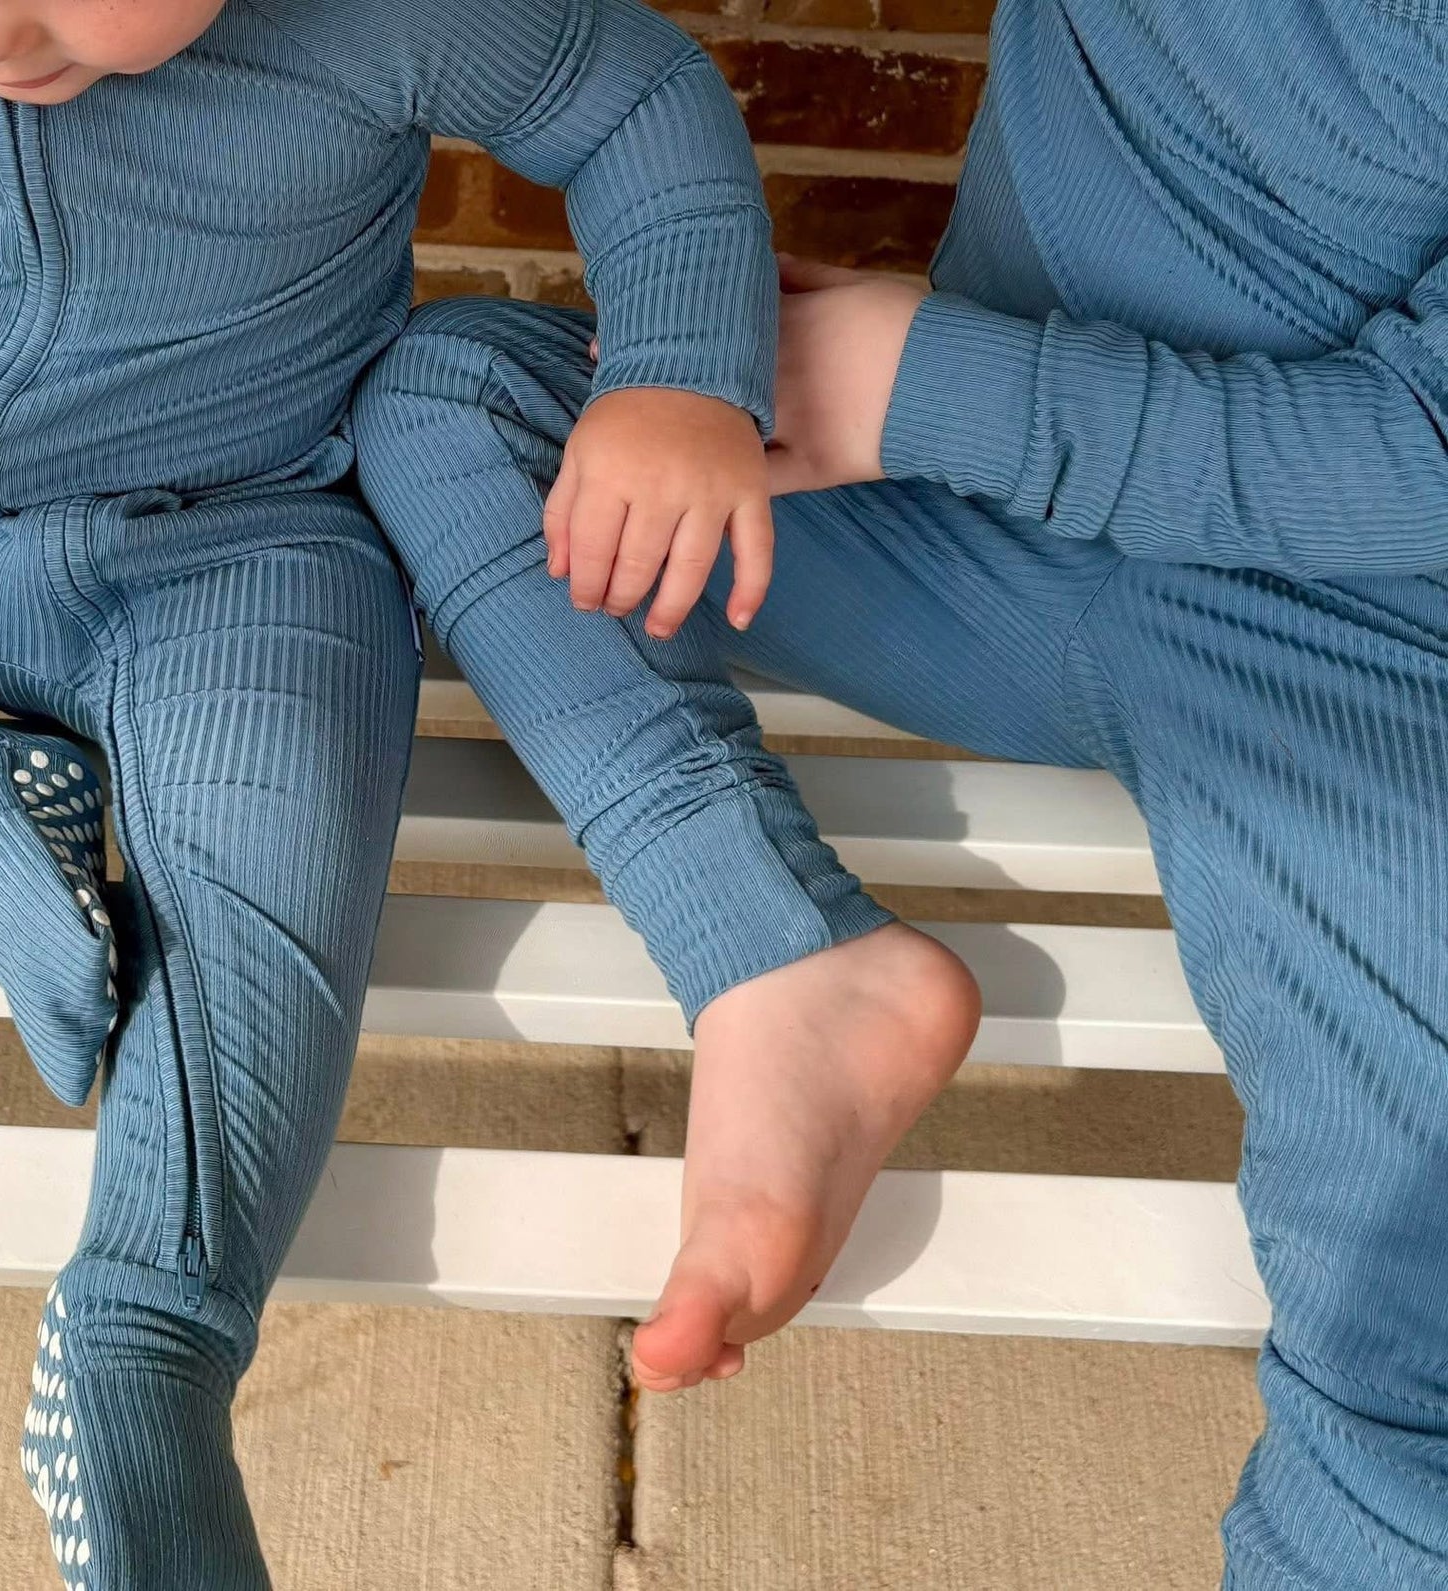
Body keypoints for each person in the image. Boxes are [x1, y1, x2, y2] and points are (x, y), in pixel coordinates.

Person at [0, 0, 892, 1582]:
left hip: (239, 550)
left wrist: (678, 374)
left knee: (250, 884)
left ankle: (148, 1340)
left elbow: (633, 97)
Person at [352, 2, 1448, 1583]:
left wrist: (929, 382)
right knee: (465, 392)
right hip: (969, 516)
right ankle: (777, 957)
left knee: (1405, 1283)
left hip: (1347, 641)